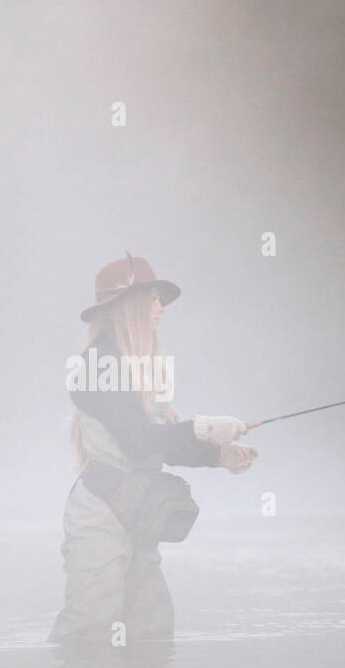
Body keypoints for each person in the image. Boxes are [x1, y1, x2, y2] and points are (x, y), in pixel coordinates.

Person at [49, 254, 258, 645]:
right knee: (90, 625)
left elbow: (157, 445)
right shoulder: (96, 364)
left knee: (152, 628)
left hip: (138, 510)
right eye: (153, 298)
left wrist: (220, 457)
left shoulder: (144, 369)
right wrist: (206, 428)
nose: (161, 308)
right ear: (126, 305)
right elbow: (137, 440)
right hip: (100, 513)